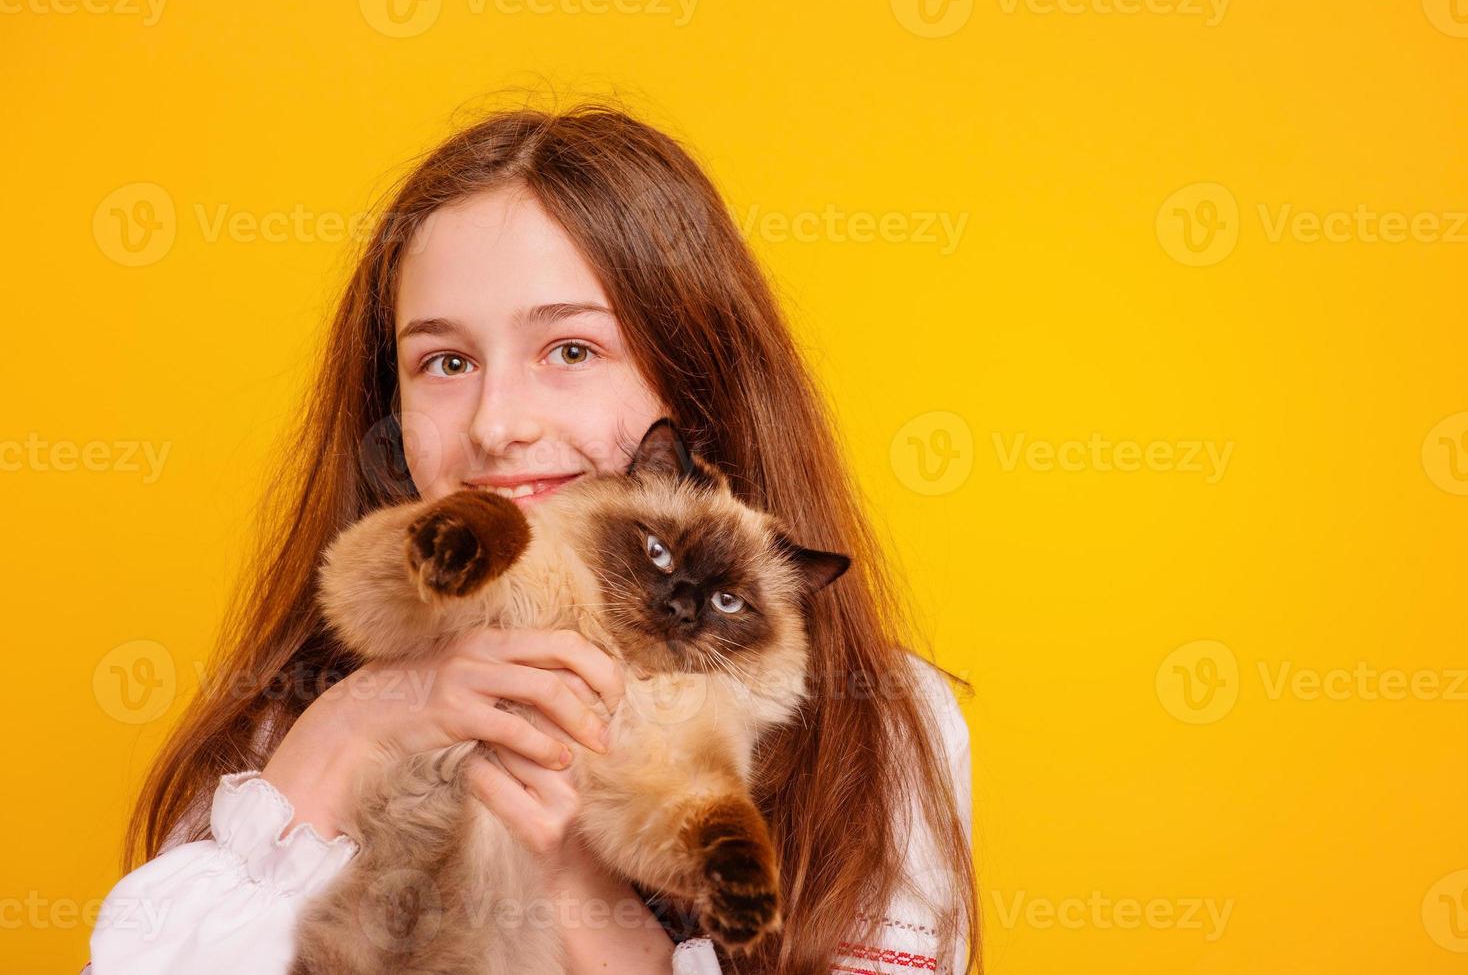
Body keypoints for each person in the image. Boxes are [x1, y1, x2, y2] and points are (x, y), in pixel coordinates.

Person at [85, 102, 978, 975]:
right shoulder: (275, 730)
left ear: (694, 379)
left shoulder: (878, 732)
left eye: (572, 351)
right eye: (446, 362)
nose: (498, 424)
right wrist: (347, 735)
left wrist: (571, 877)